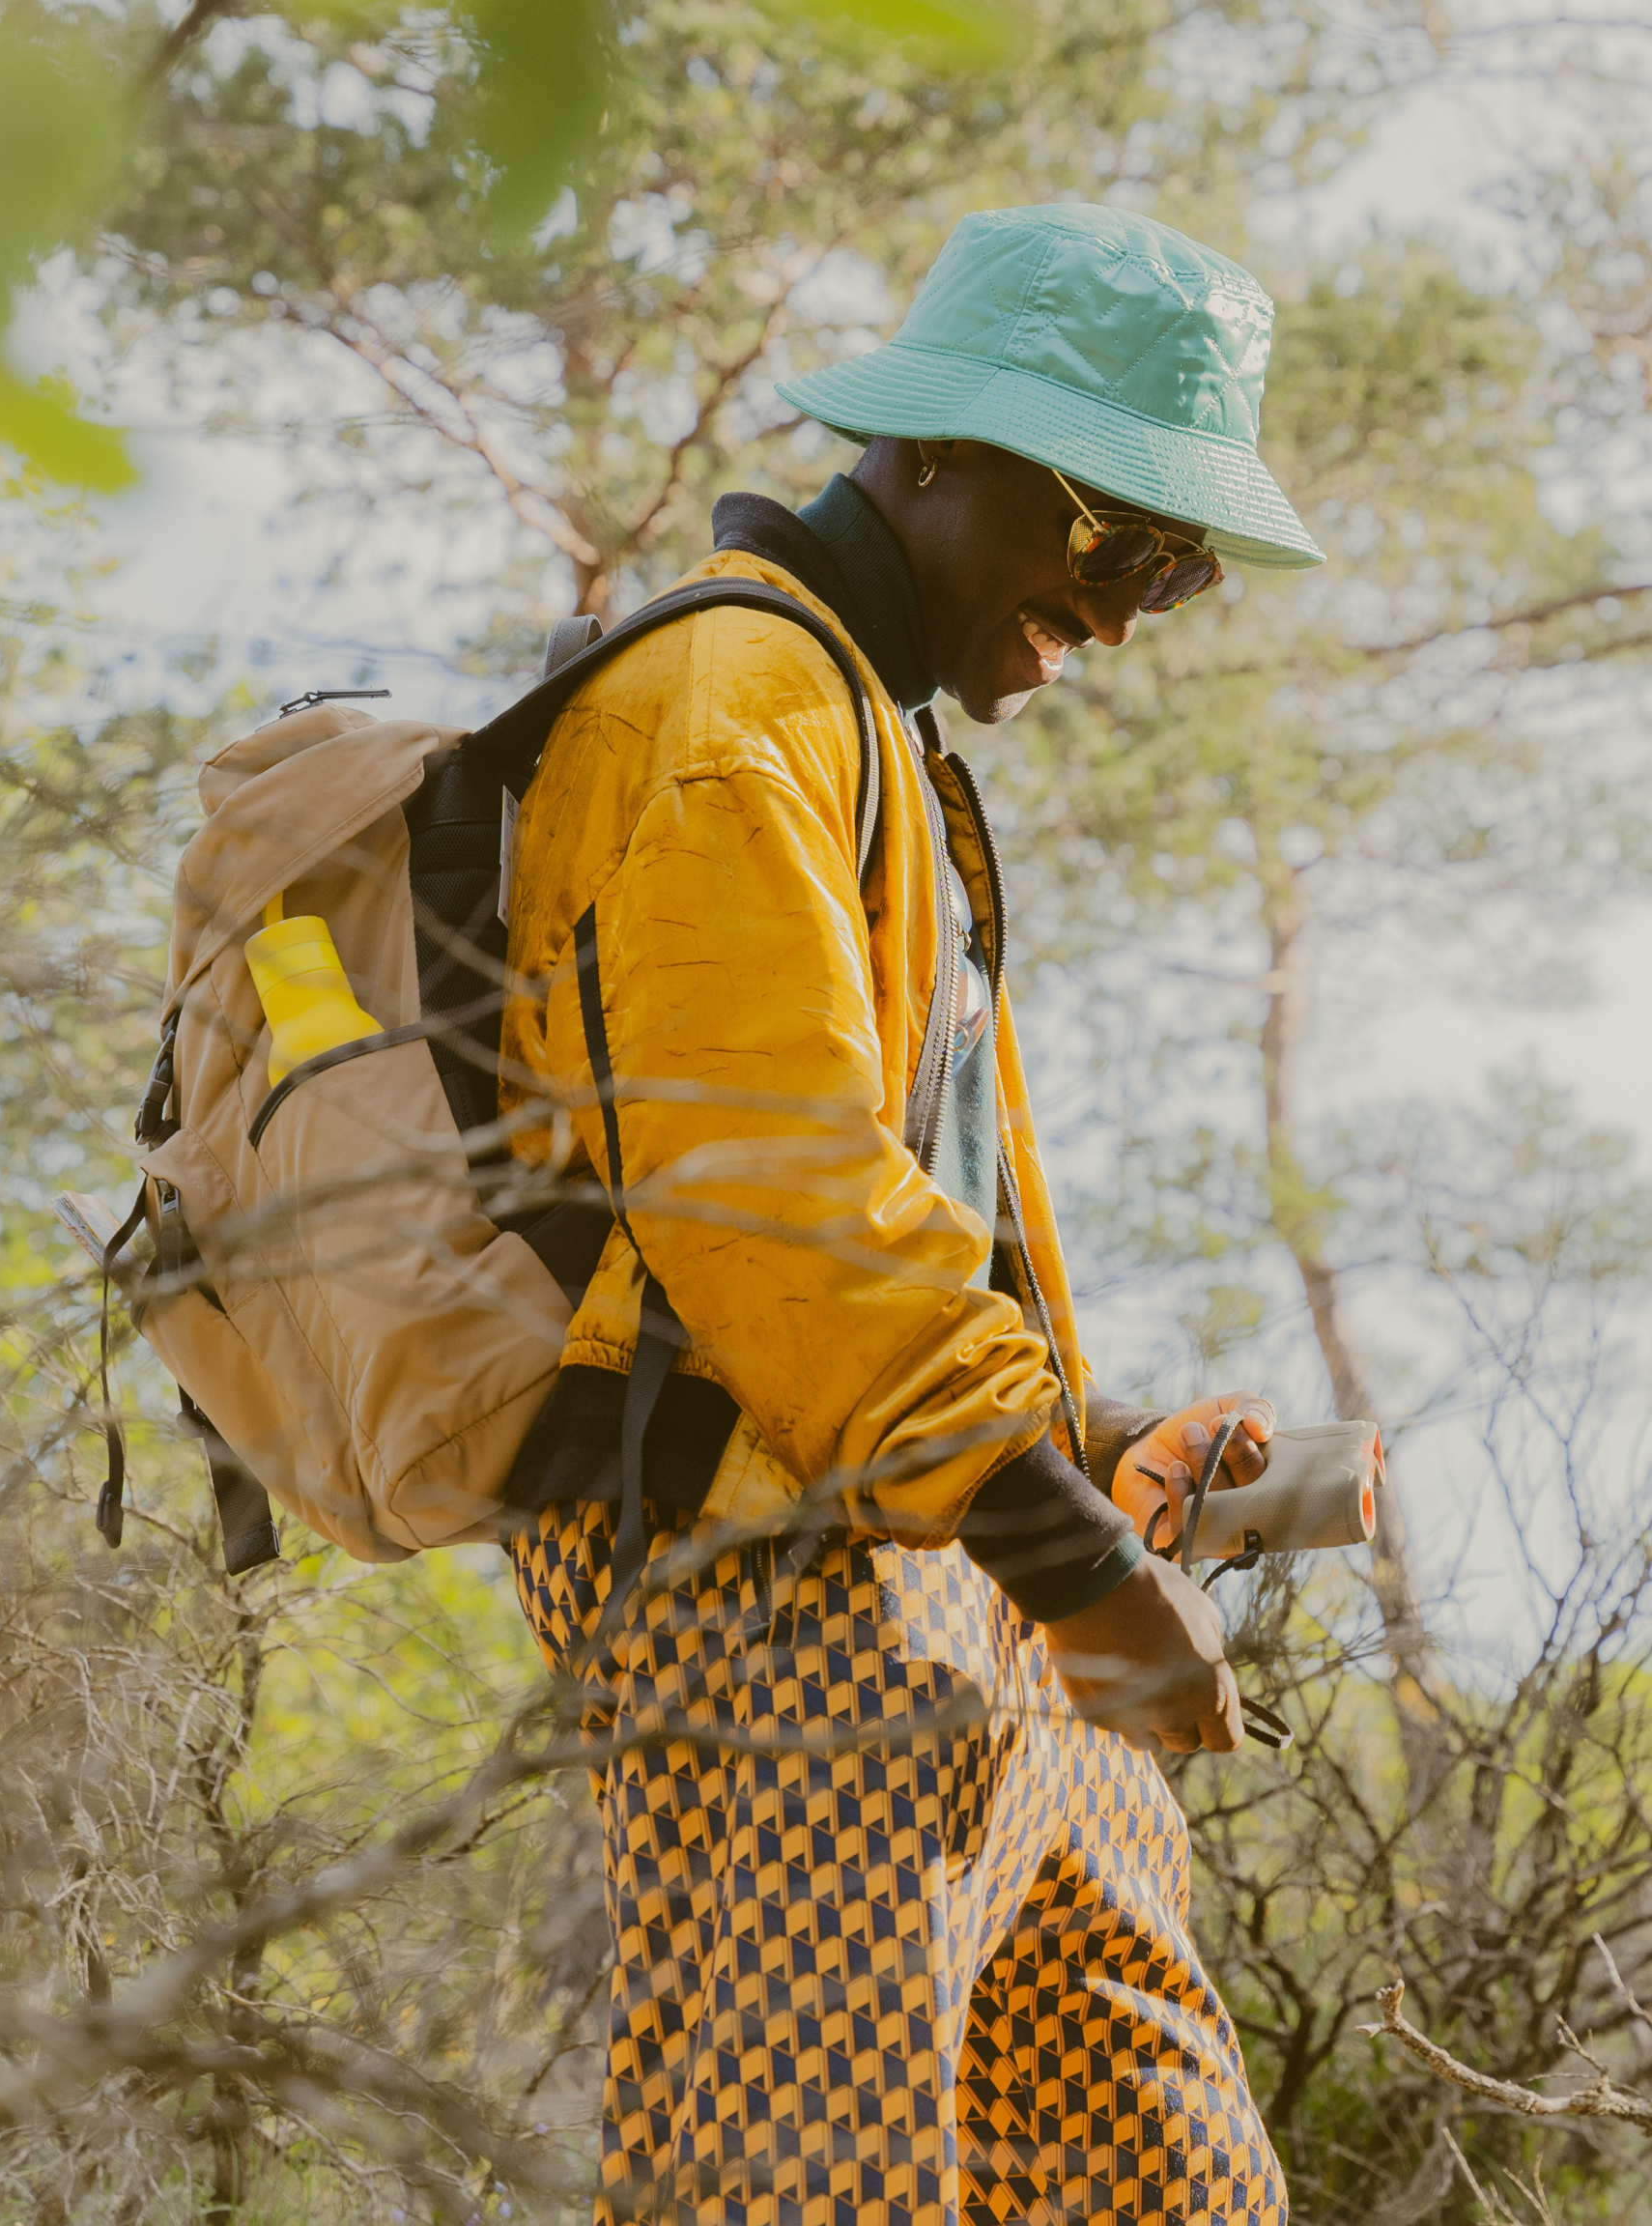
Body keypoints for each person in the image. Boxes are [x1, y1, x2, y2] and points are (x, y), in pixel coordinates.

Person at [500, 201, 1324, 2226]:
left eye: (1182, 565)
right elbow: (767, 1201)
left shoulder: (877, 741)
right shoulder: (728, 706)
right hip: (758, 1590)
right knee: (806, 2183)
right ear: (938, 452)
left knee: (1167, 2172)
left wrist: (1094, 1446)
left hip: (936, 1560)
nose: (1132, 612)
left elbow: (891, 1226)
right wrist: (1075, 1559)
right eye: (1114, 542)